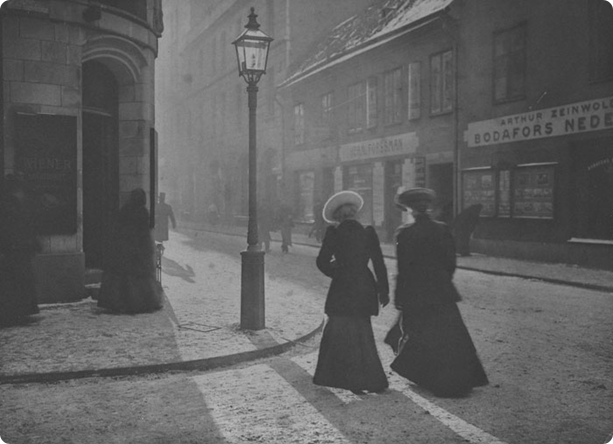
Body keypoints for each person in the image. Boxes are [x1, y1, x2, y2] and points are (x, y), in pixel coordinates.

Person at [387, 187, 488, 398]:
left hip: (417, 292)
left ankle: (429, 377)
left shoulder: (404, 233)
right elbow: (450, 262)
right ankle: (461, 377)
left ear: (409, 210)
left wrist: (400, 297)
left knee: (423, 334)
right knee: (450, 335)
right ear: (428, 208)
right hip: (441, 290)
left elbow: (404, 269)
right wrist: (442, 281)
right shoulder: (442, 229)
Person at [313, 190, 390, 394]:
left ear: (338, 215)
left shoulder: (334, 233)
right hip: (364, 285)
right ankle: (372, 379)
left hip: (342, 288)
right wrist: (384, 291)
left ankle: (343, 377)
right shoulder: (368, 231)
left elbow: (321, 262)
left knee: (339, 332)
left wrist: (337, 271)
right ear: (355, 213)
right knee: (363, 332)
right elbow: (379, 263)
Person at [97, 188, 164, 314]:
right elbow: (144, 232)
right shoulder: (143, 212)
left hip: (124, 247)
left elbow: (118, 228)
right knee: (140, 277)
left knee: (123, 277)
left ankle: (121, 303)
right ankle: (141, 303)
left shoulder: (125, 210)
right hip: (138, 247)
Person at [0, 175, 41, 327]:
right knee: (18, 283)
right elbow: (16, 228)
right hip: (16, 251)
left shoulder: (10, 204)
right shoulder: (11, 205)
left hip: (16, 250)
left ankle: (18, 312)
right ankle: (17, 313)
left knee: (18, 283)